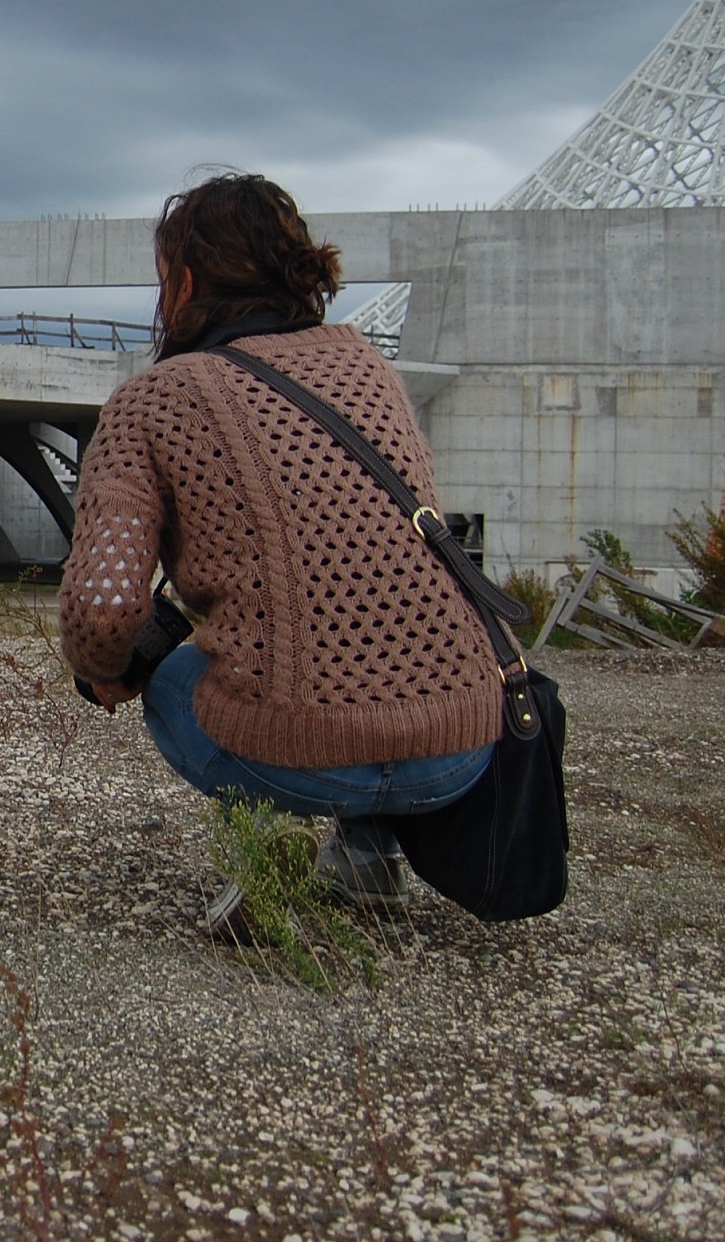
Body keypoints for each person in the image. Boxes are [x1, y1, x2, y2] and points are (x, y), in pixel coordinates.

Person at [59, 173, 500, 925]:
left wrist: (104, 671)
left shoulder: (155, 397)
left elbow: (102, 609)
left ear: (185, 283)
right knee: (364, 629)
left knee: (184, 670)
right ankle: (370, 858)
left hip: (296, 757)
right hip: (458, 749)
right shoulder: (370, 370)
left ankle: (269, 856)